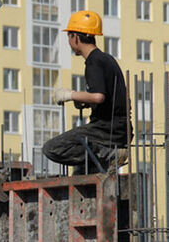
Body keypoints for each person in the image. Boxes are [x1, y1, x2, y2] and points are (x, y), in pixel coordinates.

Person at [42, 10, 132, 174]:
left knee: (52, 148)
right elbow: (107, 98)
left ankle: (105, 153)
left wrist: (70, 95)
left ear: (75, 37)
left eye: (69, 37)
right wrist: (85, 100)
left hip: (107, 132)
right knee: (79, 175)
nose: (69, 42)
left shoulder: (94, 62)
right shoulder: (106, 59)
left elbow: (98, 96)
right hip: (120, 130)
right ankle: (101, 157)